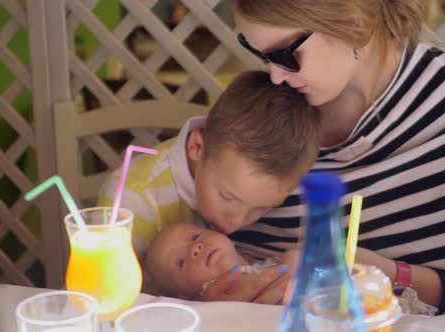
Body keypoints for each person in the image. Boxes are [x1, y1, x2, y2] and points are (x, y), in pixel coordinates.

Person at [200, 0, 445, 329]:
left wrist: (382, 273)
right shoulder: (268, 117)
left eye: (285, 54)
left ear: (353, 20)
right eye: (260, 53)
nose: (275, 76)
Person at [98, 70, 321, 293]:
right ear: (196, 147)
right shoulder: (131, 200)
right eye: (227, 197)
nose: (235, 222)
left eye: (262, 208)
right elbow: (104, 302)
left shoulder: (270, 171)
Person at [144, 222, 297, 300]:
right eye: (181, 263)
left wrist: (290, 262)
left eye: (196, 237)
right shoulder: (212, 305)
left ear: (229, 240)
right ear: (188, 298)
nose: (195, 248)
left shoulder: (263, 262)